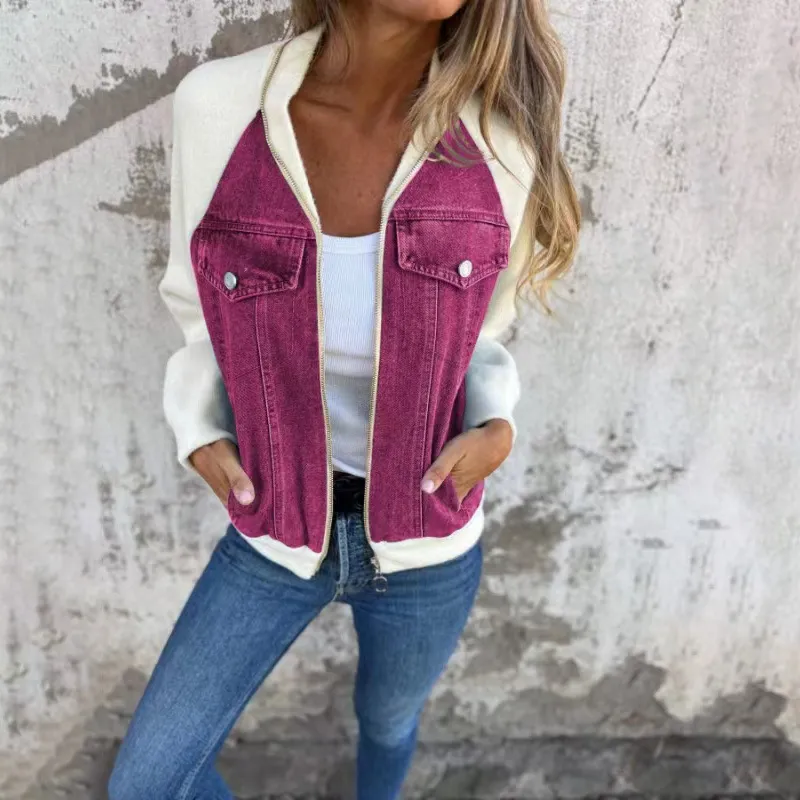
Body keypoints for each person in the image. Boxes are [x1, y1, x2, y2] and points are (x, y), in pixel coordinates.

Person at [108, 1, 579, 797]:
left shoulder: (500, 144)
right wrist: (197, 428)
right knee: (147, 784)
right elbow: (197, 302)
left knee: (388, 723)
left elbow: (485, 335)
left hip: (427, 538)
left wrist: (496, 425)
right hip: (276, 525)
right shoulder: (220, 107)